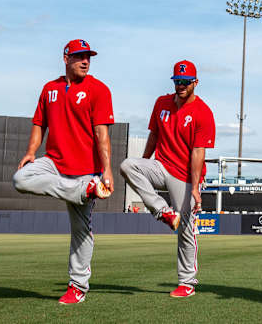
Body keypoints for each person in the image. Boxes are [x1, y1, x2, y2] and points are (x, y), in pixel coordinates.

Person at [13, 39, 114, 304]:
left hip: (86, 170)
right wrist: (31, 152)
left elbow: (102, 134)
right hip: (55, 162)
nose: (85, 61)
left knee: (80, 230)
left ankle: (78, 287)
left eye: (88, 57)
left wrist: (106, 170)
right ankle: (81, 192)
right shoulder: (50, 89)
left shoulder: (99, 89)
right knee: (21, 178)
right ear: (66, 58)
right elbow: (39, 124)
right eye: (79, 56)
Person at [120, 60, 215, 298]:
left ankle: (187, 283)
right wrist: (144, 164)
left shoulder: (203, 112)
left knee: (186, 229)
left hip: (185, 175)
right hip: (162, 165)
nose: (180, 85)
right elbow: (153, 135)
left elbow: (198, 154)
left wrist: (195, 188)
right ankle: (163, 211)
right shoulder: (161, 103)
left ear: (195, 82)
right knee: (127, 165)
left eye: (185, 81)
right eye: (177, 81)